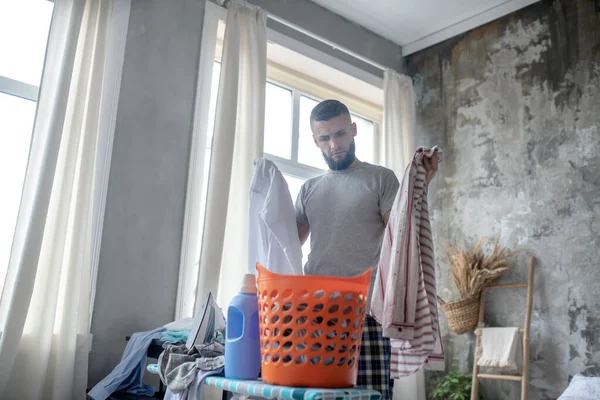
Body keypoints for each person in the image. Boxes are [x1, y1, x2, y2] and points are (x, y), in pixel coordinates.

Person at [294, 99, 438, 400]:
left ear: (354, 130)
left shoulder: (380, 178)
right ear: (315, 141)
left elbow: (401, 234)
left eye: (341, 133)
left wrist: (420, 185)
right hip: (317, 313)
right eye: (325, 137)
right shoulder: (308, 189)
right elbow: (287, 244)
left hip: (368, 314)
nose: (335, 143)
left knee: (372, 396)